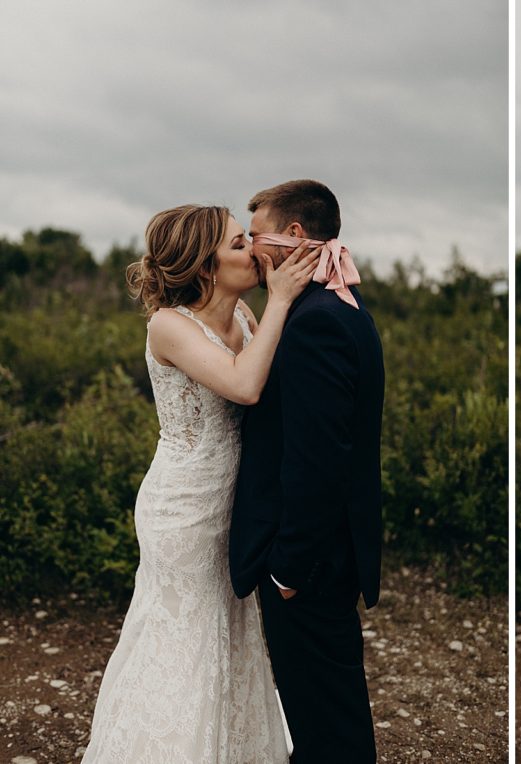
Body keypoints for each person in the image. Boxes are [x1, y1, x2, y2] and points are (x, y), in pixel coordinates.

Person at [83, 203, 318, 762]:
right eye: (240, 244)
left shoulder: (243, 320)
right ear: (206, 266)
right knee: (184, 633)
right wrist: (282, 298)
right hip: (183, 508)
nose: (255, 251)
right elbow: (244, 386)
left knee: (232, 627)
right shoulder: (169, 325)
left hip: (235, 503)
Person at [228, 179, 385, 763]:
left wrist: (288, 566)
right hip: (329, 551)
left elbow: (317, 459)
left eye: (257, 236)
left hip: (311, 560)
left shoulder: (314, 321)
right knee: (328, 709)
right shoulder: (337, 305)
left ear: (294, 235)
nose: (253, 251)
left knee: (326, 727)